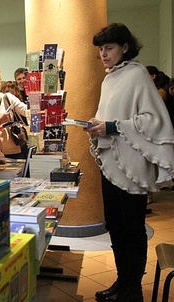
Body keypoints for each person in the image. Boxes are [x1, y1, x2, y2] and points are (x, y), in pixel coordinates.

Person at [87, 23, 174, 302]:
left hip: (132, 167)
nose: (103, 54)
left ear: (125, 47)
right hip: (111, 164)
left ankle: (133, 288)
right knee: (114, 224)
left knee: (132, 228)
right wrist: (96, 126)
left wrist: (111, 126)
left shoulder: (137, 74)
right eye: (100, 49)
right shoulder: (109, 79)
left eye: (109, 48)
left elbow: (154, 121)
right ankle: (121, 281)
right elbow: (108, 116)